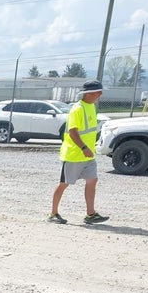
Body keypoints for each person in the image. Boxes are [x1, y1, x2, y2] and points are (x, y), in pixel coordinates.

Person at [48, 80, 109, 225]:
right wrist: (83, 148)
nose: (100, 94)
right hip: (74, 155)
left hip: (87, 155)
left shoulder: (91, 107)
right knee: (63, 183)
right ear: (88, 94)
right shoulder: (78, 109)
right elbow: (73, 132)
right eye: (98, 92)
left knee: (92, 180)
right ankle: (53, 213)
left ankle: (90, 214)